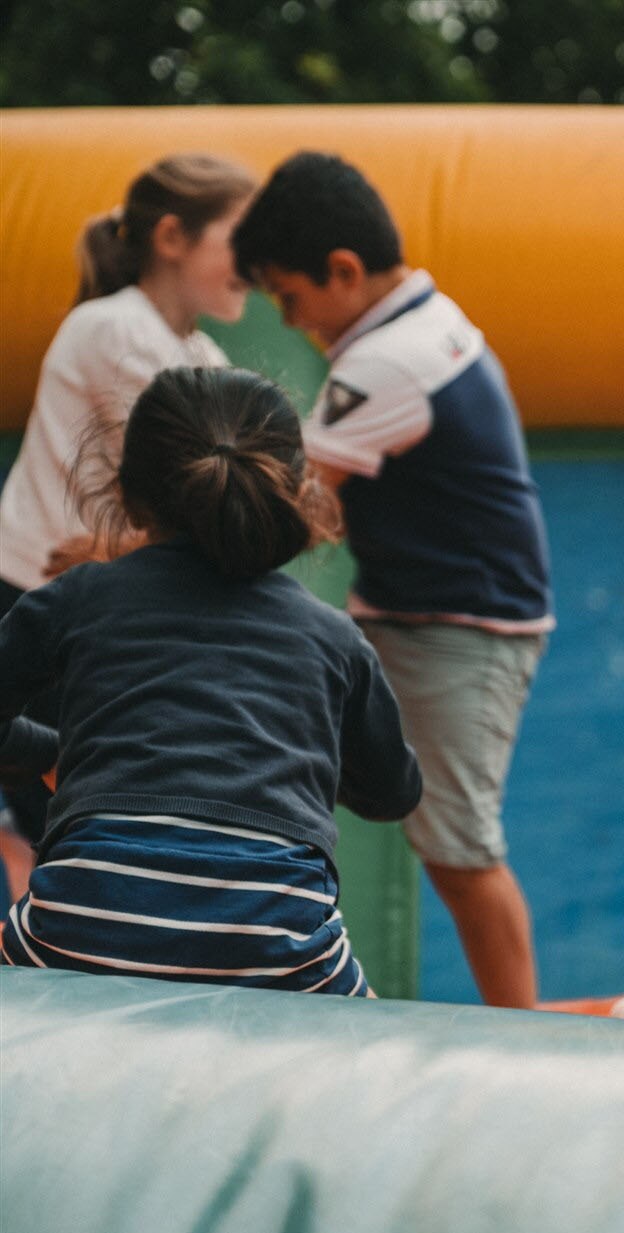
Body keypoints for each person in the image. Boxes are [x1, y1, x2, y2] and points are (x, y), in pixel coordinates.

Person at [232, 151, 553, 1008]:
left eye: (291, 299)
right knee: (294, 790)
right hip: (420, 611)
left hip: (460, 628)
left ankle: (526, 1043)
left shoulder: (388, 359)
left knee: (458, 849)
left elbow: (285, 505)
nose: (295, 322)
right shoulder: (425, 324)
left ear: (343, 271)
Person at [0, 367, 421, 992]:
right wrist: (293, 765)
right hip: (278, 941)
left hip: (82, 922)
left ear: (126, 492)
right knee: (361, 1057)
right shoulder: (333, 640)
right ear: (298, 496)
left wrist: (49, 752)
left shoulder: (81, 598)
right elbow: (394, 793)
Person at [0, 153, 255, 869]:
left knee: (80, 834)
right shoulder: (116, 330)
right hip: (41, 602)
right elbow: (199, 504)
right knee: (74, 838)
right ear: (173, 236)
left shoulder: (193, 348)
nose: (257, 261)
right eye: (241, 238)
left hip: (93, 609)